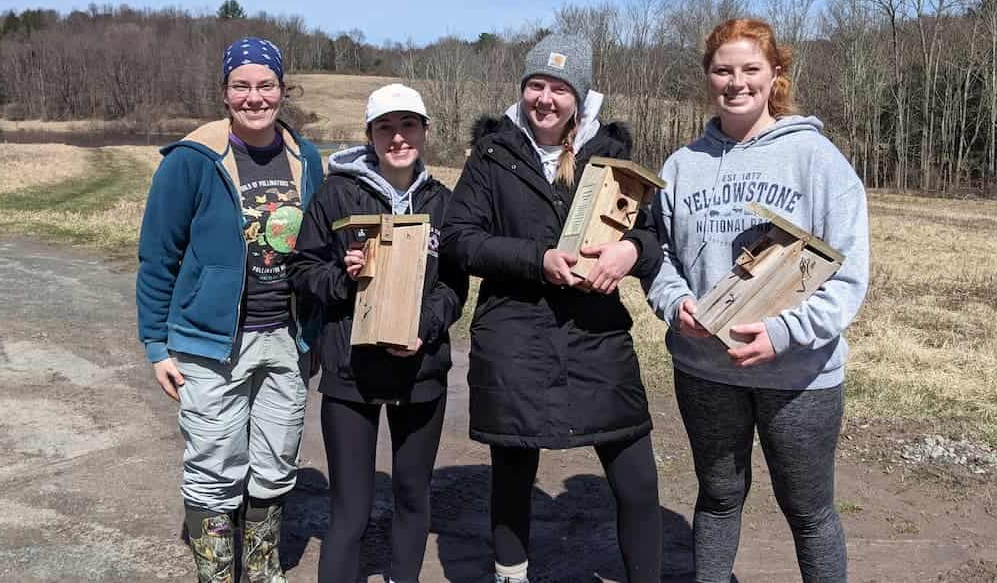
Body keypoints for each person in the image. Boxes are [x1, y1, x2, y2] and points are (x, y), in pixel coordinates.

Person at [644, 18, 870, 583]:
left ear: (775, 76)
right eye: (723, 70)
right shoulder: (681, 166)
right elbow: (658, 257)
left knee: (809, 510)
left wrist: (781, 333)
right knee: (718, 497)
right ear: (708, 78)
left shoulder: (817, 160)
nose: (736, 82)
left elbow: (848, 277)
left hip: (797, 375)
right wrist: (676, 306)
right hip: (705, 370)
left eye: (751, 69)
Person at [442, 34, 664, 583]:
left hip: (597, 337)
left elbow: (654, 235)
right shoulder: (492, 155)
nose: (545, 98)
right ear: (522, 90)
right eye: (536, 85)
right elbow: (459, 240)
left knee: (637, 479)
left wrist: (629, 251)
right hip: (515, 338)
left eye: (559, 88)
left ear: (580, 98)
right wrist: (535, 259)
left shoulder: (611, 157)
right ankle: (510, 576)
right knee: (513, 471)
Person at [136, 37, 325, 583]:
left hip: (285, 339)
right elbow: (157, 257)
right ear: (224, 93)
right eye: (241, 86)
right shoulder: (192, 161)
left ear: (281, 90)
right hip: (209, 342)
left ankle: (263, 570)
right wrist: (155, 344)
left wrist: (312, 332)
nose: (254, 97)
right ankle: (218, 575)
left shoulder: (304, 157)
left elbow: (316, 247)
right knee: (215, 466)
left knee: (274, 463)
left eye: (265, 85)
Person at [290, 83, 468, 583]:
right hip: (353, 371)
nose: (397, 138)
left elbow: (455, 286)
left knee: (413, 495)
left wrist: (424, 328)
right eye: (385, 128)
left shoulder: (443, 202)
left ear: (425, 131)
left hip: (420, 368)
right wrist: (343, 279)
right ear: (369, 134)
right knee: (351, 506)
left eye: (408, 125)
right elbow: (304, 270)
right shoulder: (336, 194)